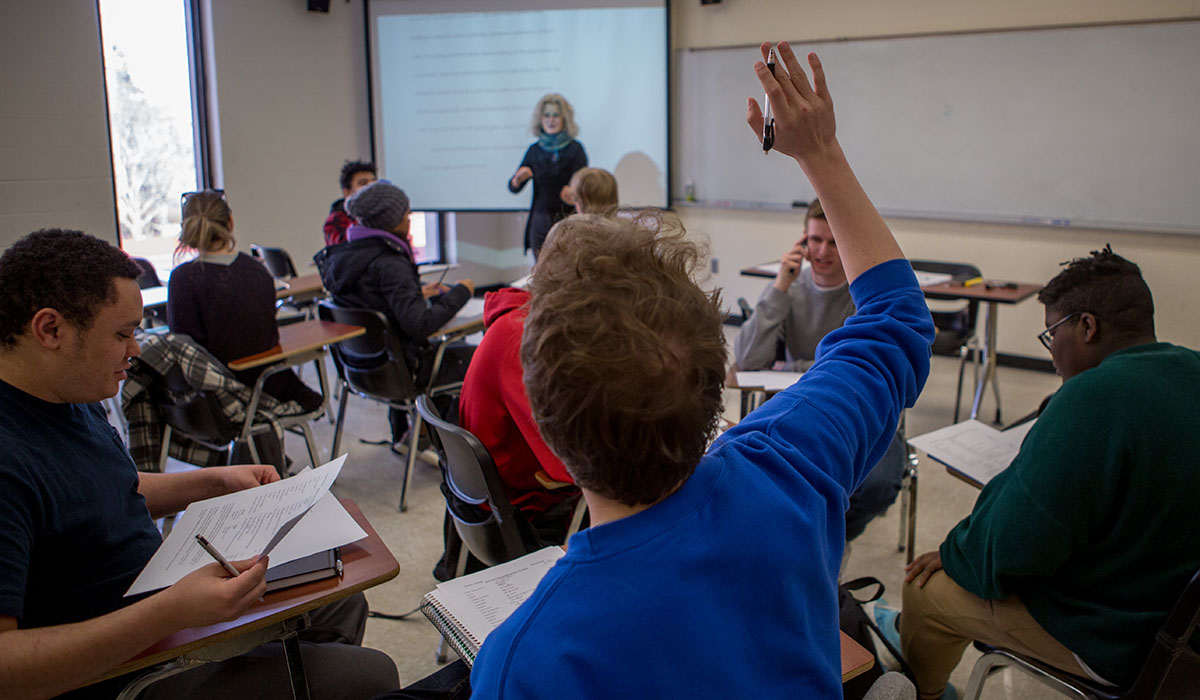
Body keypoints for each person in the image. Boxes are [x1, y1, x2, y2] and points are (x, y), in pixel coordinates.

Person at [463, 43, 935, 696]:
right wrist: (820, 154)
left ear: (546, 417)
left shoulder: (528, 660)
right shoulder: (788, 463)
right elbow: (897, 325)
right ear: (716, 372)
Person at [0, 229, 398, 700]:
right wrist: (171, 612)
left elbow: (103, 492)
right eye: (122, 334)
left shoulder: (68, 390)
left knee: (340, 598)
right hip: (121, 672)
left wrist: (211, 481)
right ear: (50, 330)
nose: (136, 350)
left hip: (155, 613)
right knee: (373, 676)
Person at [874, 246, 1200, 700]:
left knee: (925, 591)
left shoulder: (1092, 397)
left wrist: (954, 552)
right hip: (1184, 633)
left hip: (1117, 640)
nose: (1051, 355)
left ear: (1086, 326)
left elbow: (1009, 551)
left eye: (1051, 335)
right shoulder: (1191, 367)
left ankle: (924, 693)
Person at [734, 197, 907, 542]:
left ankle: (829, 542)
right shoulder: (790, 287)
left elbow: (853, 368)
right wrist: (781, 284)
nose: (823, 251)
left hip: (861, 415)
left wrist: (790, 367)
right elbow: (748, 359)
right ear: (802, 241)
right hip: (798, 411)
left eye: (833, 242)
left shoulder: (866, 297)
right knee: (751, 477)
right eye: (815, 240)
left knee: (877, 486)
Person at [315, 181, 475, 438]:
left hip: (359, 370)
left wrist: (414, 292)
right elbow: (420, 324)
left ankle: (414, 435)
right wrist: (462, 292)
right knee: (479, 358)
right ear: (393, 220)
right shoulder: (390, 263)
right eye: (406, 213)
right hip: (403, 373)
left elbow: (371, 301)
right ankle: (449, 447)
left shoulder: (342, 258)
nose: (409, 218)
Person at [167, 189, 324, 413]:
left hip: (210, 401)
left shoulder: (183, 278)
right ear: (230, 222)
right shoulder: (257, 269)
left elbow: (182, 347)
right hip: (269, 384)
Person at [507, 93, 587, 257]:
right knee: (541, 270)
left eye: (556, 115)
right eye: (547, 115)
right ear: (540, 119)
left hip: (568, 218)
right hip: (541, 219)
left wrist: (574, 192)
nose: (551, 120)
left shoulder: (575, 149)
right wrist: (517, 180)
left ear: (564, 118)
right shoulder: (534, 150)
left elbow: (584, 185)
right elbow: (513, 187)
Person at [324, 160, 378, 246]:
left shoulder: (384, 212)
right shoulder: (336, 220)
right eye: (363, 183)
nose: (371, 187)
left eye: (374, 182)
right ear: (347, 193)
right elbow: (348, 249)